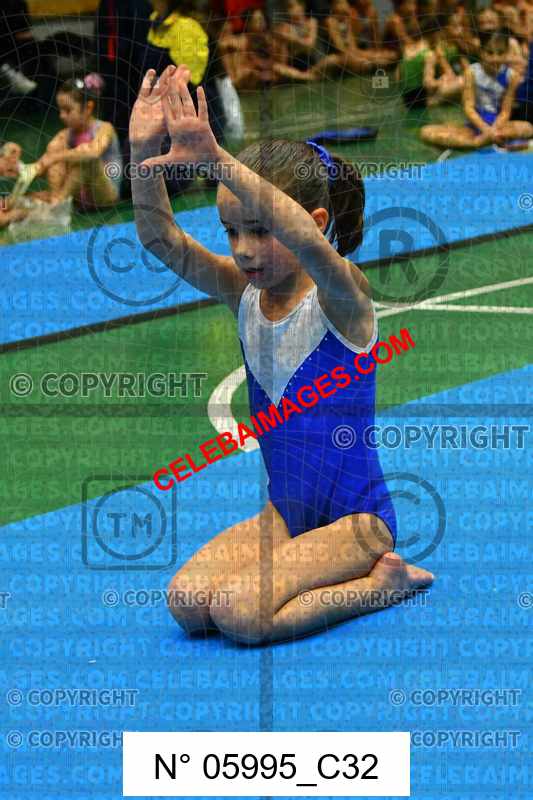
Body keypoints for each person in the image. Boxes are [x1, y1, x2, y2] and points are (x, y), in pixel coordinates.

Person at [129, 64, 434, 645]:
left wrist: (218, 159)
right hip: (287, 514)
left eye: (259, 230)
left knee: (240, 615)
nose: (243, 250)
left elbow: (305, 240)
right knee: (188, 603)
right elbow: (160, 238)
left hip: (358, 522)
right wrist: (144, 154)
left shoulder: (342, 298)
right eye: (231, 231)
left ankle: (382, 584)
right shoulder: (240, 292)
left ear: (312, 223)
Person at [0, 74, 122, 228]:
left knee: (84, 158)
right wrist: (18, 168)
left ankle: (56, 204)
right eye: (60, 110)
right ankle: (52, 200)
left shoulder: (105, 128)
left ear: (88, 108)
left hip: (104, 196)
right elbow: (42, 165)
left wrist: (56, 157)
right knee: (55, 149)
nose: (62, 115)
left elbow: (93, 152)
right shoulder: (65, 135)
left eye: (68, 110)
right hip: (76, 198)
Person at [420, 31, 533, 149]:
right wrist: (485, 129)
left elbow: (505, 111)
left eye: (501, 53)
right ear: (481, 52)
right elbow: (469, 108)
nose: (495, 58)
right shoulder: (471, 73)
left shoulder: (512, 76)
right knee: (426, 132)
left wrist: (494, 130)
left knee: (528, 128)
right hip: (473, 127)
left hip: (499, 127)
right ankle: (478, 142)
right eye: (490, 53)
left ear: (507, 52)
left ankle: (484, 140)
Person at [313, 0, 396, 77]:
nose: (345, 6)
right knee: (373, 62)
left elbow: (353, 46)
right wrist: (369, 56)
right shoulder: (331, 22)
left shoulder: (346, 21)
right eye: (341, 3)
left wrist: (372, 54)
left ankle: (378, 65)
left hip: (350, 53)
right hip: (338, 57)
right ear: (334, 6)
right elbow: (340, 49)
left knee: (388, 56)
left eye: (345, 3)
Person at [273, 0, 320, 75]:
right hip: (294, 64)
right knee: (276, 67)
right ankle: (307, 76)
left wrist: (292, 38)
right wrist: (282, 41)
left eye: (291, 6)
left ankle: (305, 75)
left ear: (302, 6)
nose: (290, 11)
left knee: (332, 59)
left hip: (312, 61)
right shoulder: (286, 27)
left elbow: (310, 44)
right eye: (287, 8)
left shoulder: (311, 22)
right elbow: (283, 60)